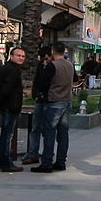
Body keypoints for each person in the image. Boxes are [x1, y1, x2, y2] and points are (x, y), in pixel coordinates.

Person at [32, 41, 73, 173]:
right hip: (67, 100)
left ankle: (46, 162)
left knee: (49, 132)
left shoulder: (53, 65)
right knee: (63, 133)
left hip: (54, 101)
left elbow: (42, 83)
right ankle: (61, 161)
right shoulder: (70, 64)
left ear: (52, 52)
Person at [0, 47, 26, 172]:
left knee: (6, 134)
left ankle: (2, 161)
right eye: (18, 55)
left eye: (23, 56)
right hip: (10, 106)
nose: (21, 58)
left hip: (8, 106)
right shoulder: (11, 70)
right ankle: (6, 162)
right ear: (11, 56)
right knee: (7, 135)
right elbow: (6, 89)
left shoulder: (8, 68)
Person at [22, 45, 52, 165]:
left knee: (47, 130)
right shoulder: (41, 66)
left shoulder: (53, 67)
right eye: (42, 59)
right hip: (40, 100)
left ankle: (46, 154)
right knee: (35, 128)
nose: (44, 61)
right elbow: (37, 80)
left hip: (50, 100)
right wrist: (35, 94)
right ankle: (33, 153)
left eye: (47, 59)